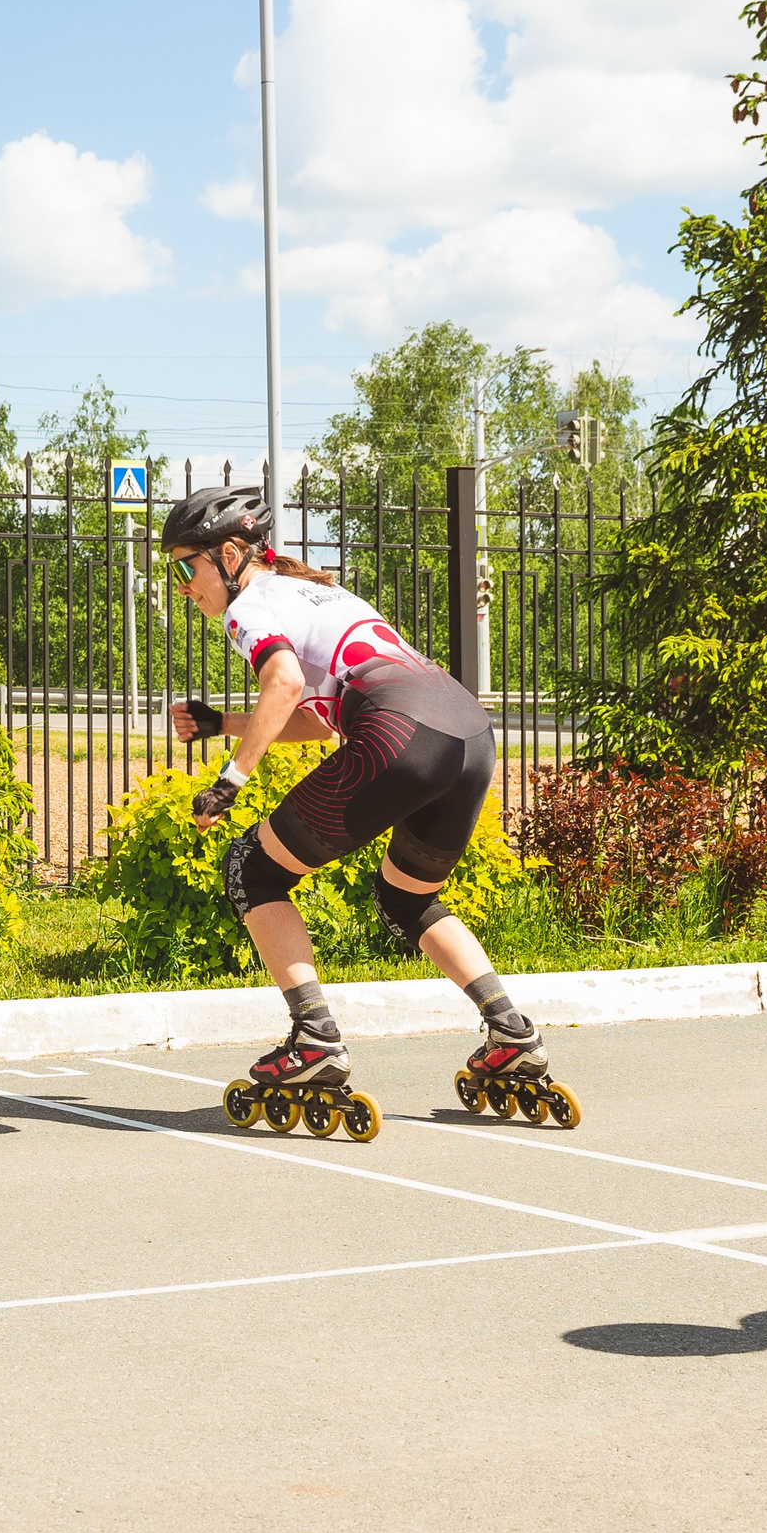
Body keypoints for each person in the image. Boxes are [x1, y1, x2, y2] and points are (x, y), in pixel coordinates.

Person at [160, 483, 570, 1133]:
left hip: (400, 732)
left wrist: (231, 780)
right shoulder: (315, 591)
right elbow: (319, 720)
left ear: (232, 554)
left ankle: (314, 1037)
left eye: (186, 567)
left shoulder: (252, 606)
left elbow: (286, 681)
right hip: (464, 732)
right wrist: (223, 722)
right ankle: (511, 1032)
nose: (182, 586)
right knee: (409, 897)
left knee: (252, 868)